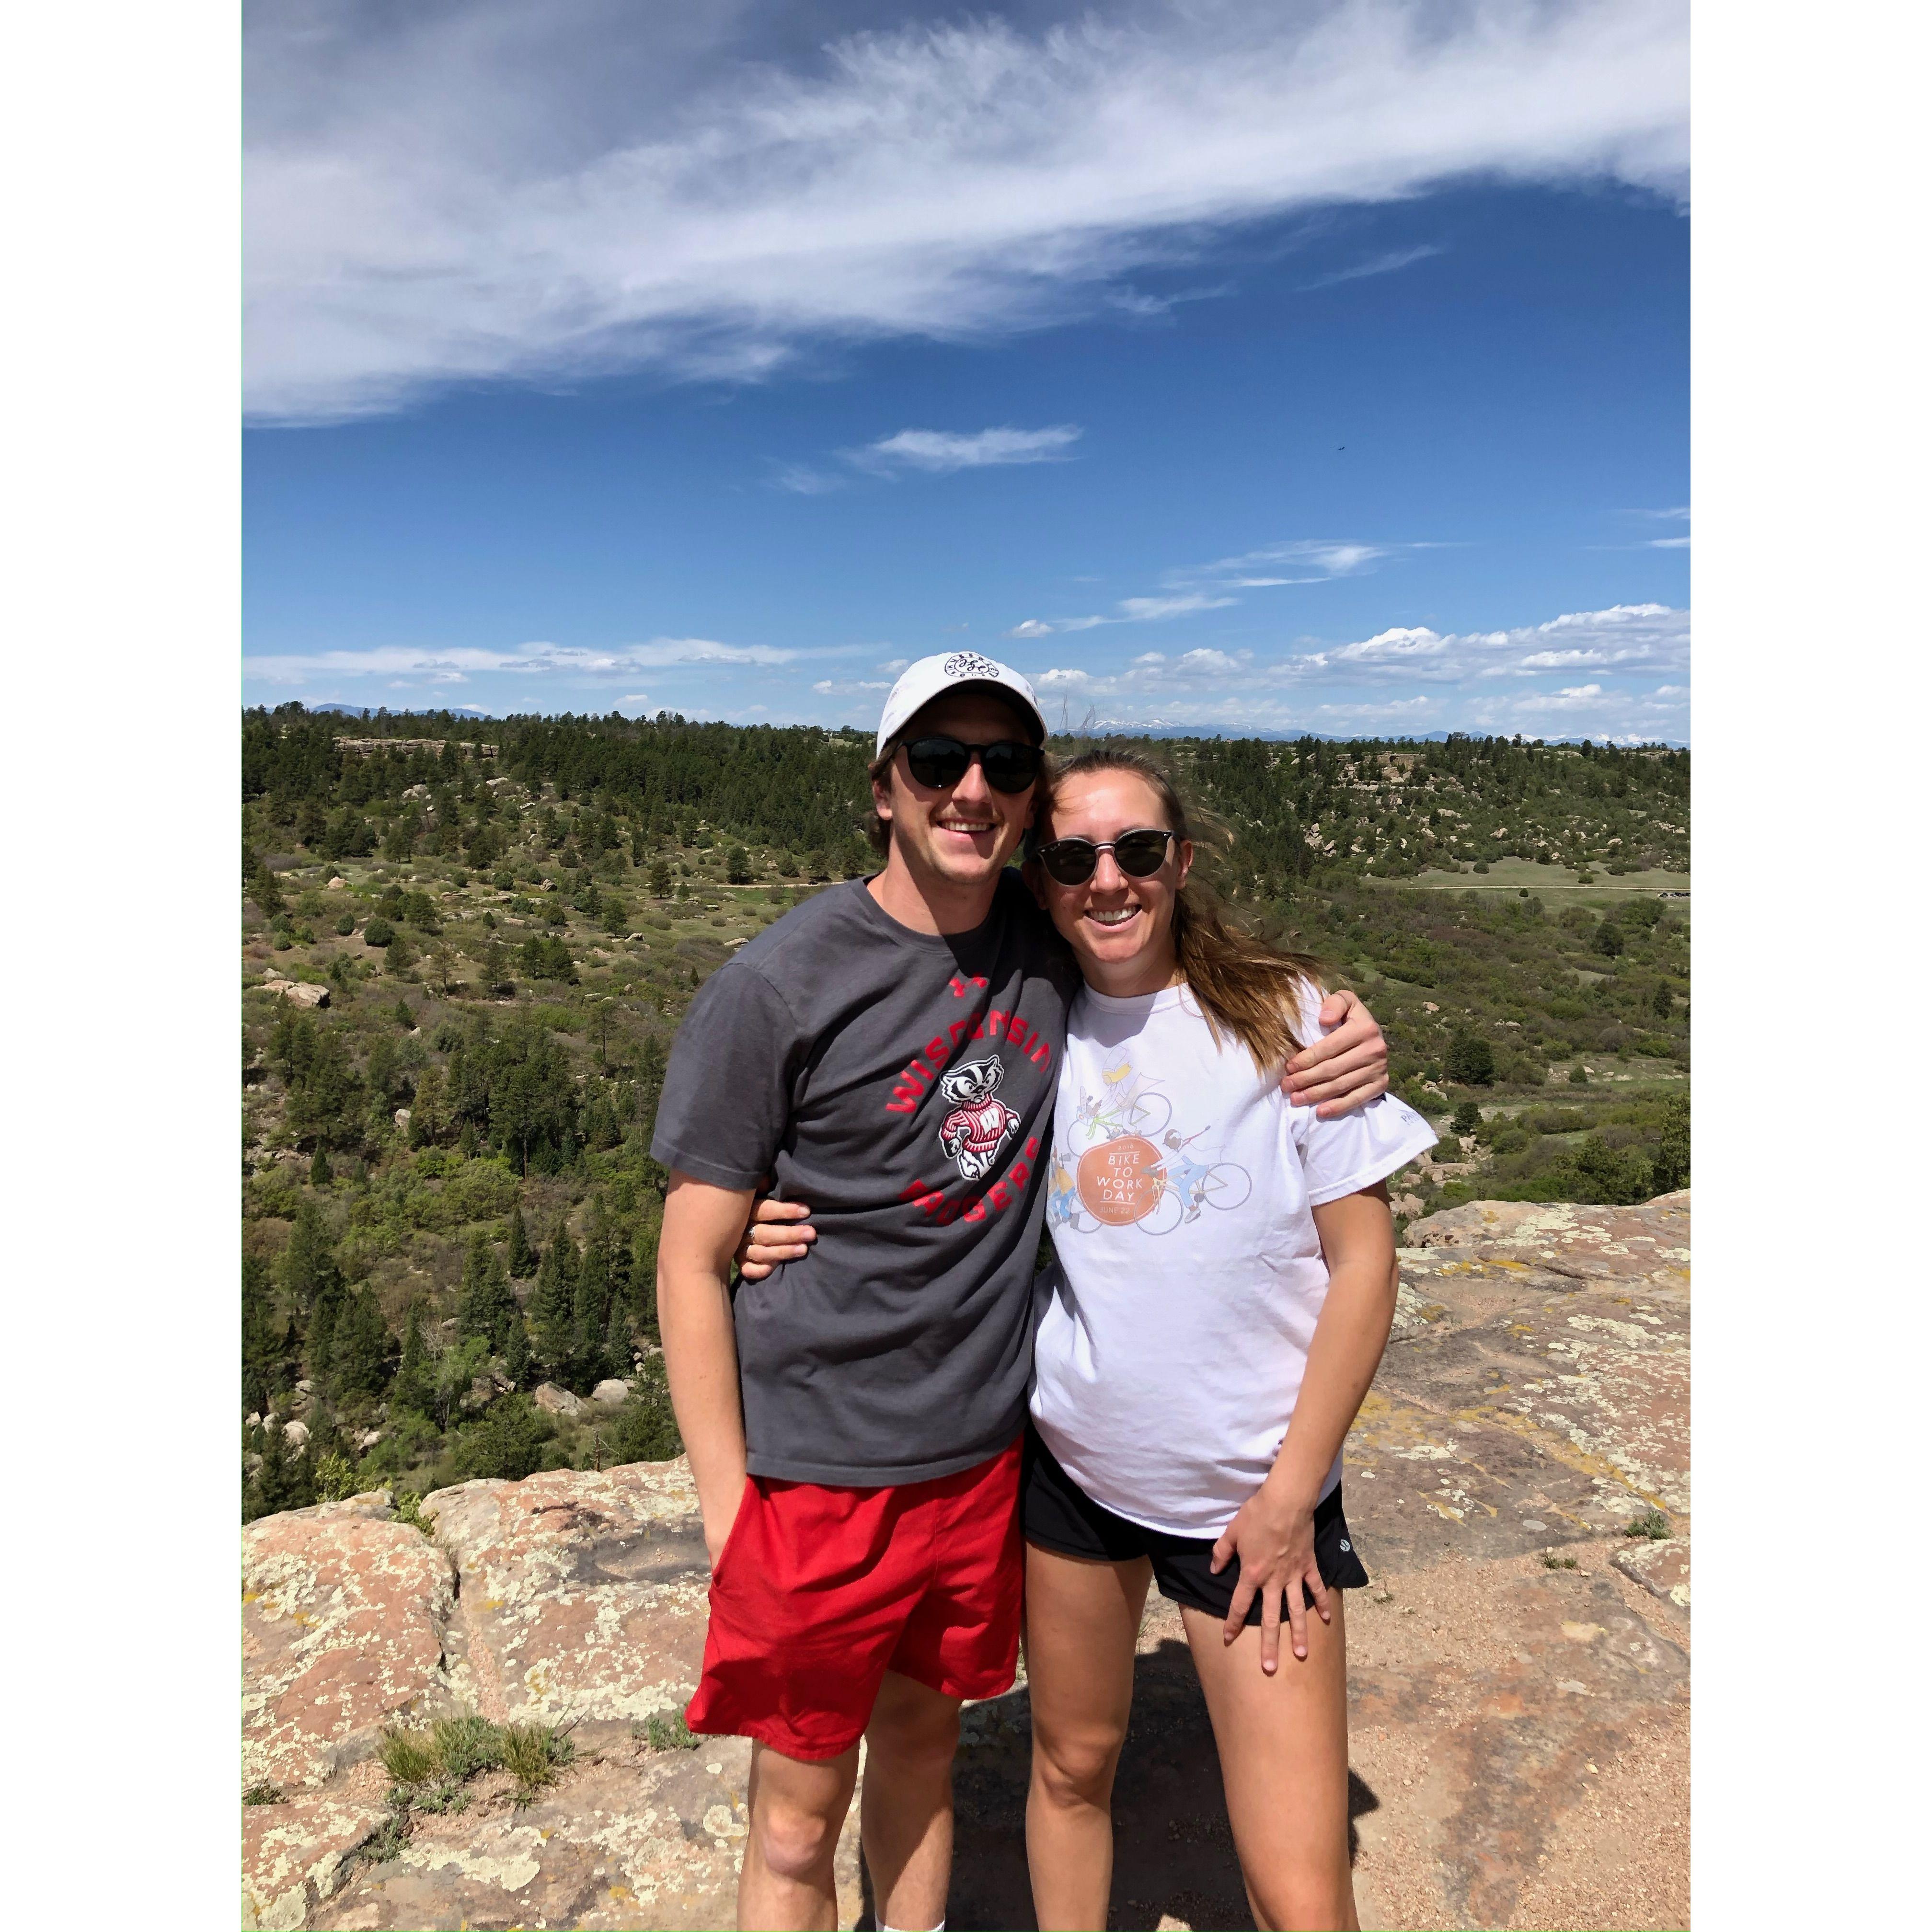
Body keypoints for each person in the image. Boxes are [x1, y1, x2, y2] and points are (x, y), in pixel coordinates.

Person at [656, 654, 1391, 1932]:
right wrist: (731, 1516)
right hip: (827, 1475)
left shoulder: (1047, 950)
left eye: (1003, 766)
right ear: (883, 788)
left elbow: (1204, 1001)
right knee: (793, 1829)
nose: (973, 788)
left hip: (981, 1470)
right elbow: (687, 1252)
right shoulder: (777, 981)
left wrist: (1346, 1024)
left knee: (929, 1755)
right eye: (939, 762)